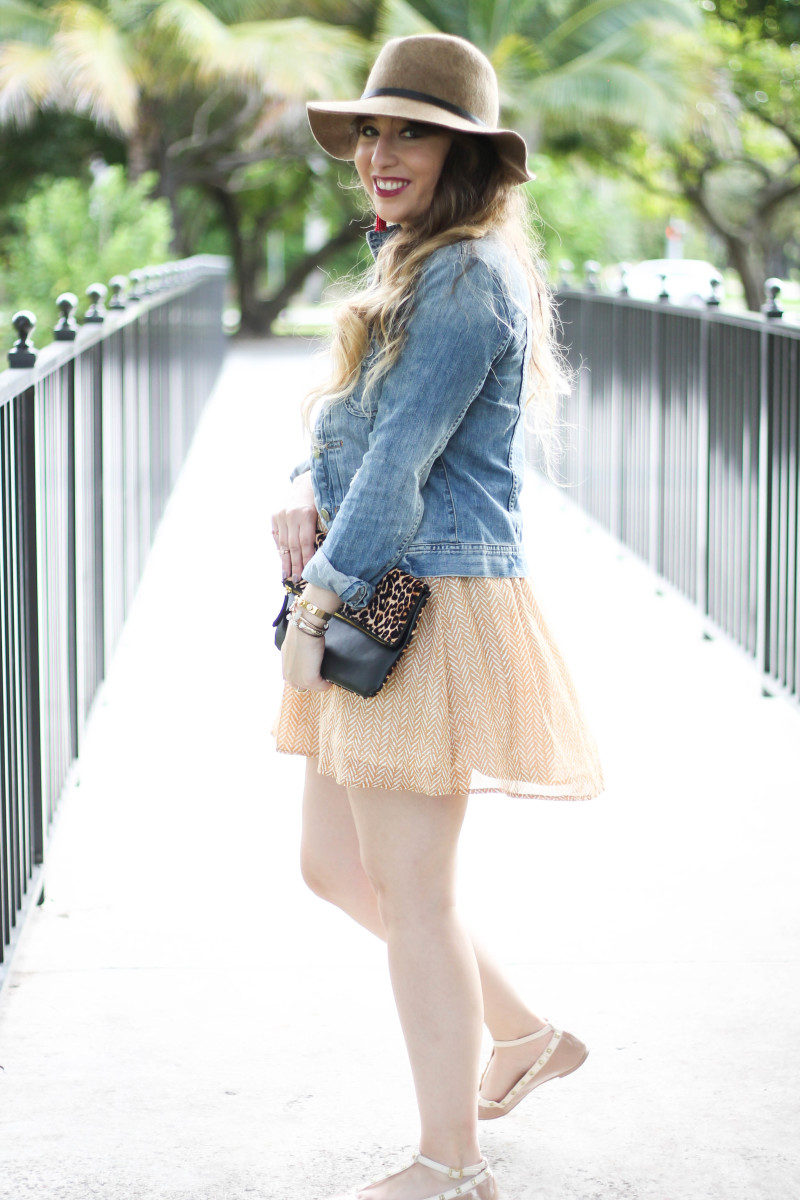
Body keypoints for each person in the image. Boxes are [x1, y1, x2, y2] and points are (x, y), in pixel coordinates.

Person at [270, 32, 606, 1200]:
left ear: (466, 153)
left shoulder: (463, 274)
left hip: (421, 600)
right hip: (380, 589)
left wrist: (318, 599)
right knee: (331, 865)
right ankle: (523, 1037)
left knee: (415, 895)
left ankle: (449, 1164)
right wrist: (300, 492)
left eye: (408, 129)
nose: (377, 152)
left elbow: (406, 459)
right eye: (369, 129)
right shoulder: (415, 262)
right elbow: (359, 437)